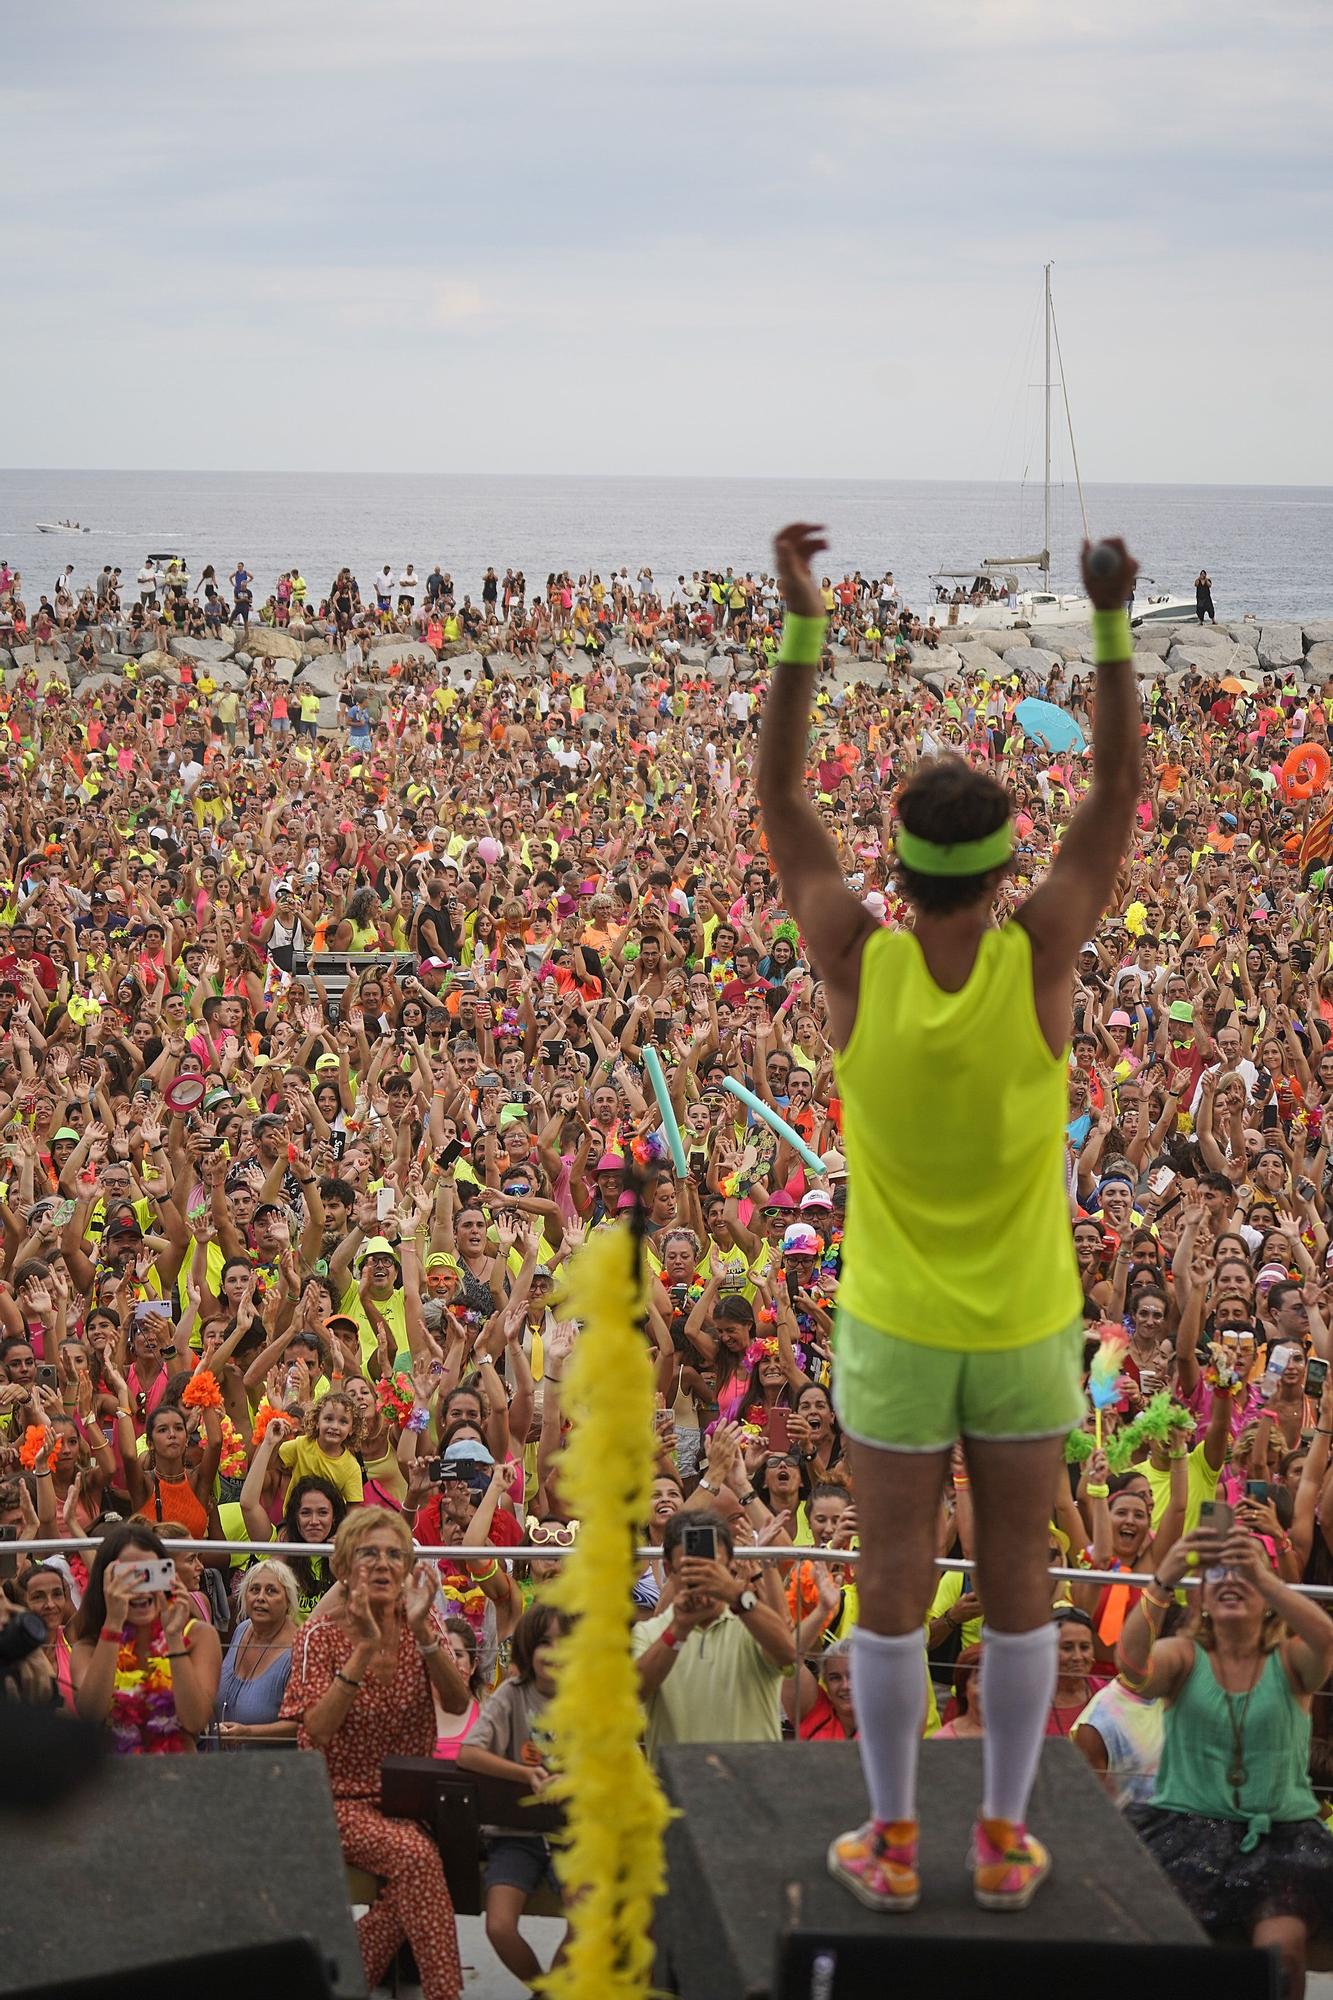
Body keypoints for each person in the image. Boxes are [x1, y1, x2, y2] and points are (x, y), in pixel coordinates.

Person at [756, 521, 1142, 1913]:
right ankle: (998, 1836)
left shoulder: (854, 957)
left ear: (895, 862)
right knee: (1025, 1571)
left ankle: (893, 1838)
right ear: (1001, 870)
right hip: (1032, 1318)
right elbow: (1115, 788)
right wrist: (1107, 624)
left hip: (893, 1326)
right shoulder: (1041, 954)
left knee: (889, 1577)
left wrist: (802, 619)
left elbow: (780, 793)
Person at [1118, 1523, 1333, 1997]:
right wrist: (1164, 1577)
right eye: (1218, 1572)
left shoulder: (1293, 1661)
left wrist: (1264, 1574)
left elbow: (1327, 1640)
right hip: (1187, 1831)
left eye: (1245, 1572)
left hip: (1280, 1838)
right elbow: (1132, 1669)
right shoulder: (1184, 1656)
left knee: (1283, 1957)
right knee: (1181, 1955)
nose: (1232, 1579)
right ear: (1203, 1601)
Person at [280, 1508, 468, 2000]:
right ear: (343, 1567)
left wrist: (424, 1634)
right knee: (418, 1859)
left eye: (394, 1554)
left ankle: (332, 1979)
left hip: (408, 1801)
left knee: (433, 1865)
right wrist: (363, 1650)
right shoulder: (318, 1636)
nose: (384, 1564)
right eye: (369, 1554)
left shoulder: (421, 1625)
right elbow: (316, 1731)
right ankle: (446, 1995)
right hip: (333, 1801)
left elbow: (457, 1702)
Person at [457, 1602, 569, 1988]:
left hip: (575, 1836)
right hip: (515, 1836)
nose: (554, 1652)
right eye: (543, 1642)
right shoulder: (512, 1695)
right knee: (499, 1926)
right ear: (527, 1647)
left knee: (591, 1919)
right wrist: (526, 1774)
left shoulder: (591, 1699)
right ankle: (546, 1990)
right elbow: (468, 1753)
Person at [632, 1508, 795, 1766]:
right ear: (668, 1568)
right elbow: (633, 1692)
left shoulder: (752, 1621)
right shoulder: (649, 1632)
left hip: (752, 1793)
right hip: (678, 1795)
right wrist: (679, 1630)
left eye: (713, 1566)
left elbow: (787, 1652)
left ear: (731, 1563)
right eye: (690, 1566)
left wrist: (736, 1596)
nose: (703, 1575)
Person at [70, 1523, 223, 1752]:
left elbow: (195, 1720)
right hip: (115, 1779)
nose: (141, 1589)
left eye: (149, 1575)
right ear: (106, 1584)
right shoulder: (89, 1645)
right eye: (129, 1577)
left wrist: (173, 1639)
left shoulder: (199, 1636)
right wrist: (112, 1624)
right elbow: (91, 1713)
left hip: (177, 1778)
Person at [215, 1559, 300, 1742]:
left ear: (288, 1600)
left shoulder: (298, 1651)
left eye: (271, 1591)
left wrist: (249, 1733)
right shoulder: (242, 1629)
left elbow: (306, 1724)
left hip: (271, 1766)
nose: (260, 1597)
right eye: (254, 1590)